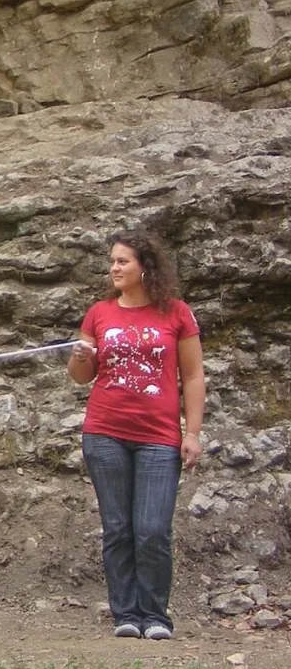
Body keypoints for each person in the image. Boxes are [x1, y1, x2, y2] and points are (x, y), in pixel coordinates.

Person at [68, 229, 204, 641]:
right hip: (104, 432)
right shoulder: (99, 314)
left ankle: (155, 615)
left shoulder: (177, 313)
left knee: (152, 529)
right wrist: (78, 358)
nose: (114, 267)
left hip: (159, 437)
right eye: (112, 261)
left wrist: (192, 432)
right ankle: (125, 614)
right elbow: (80, 378)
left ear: (145, 266)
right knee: (118, 528)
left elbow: (193, 375)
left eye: (122, 261)